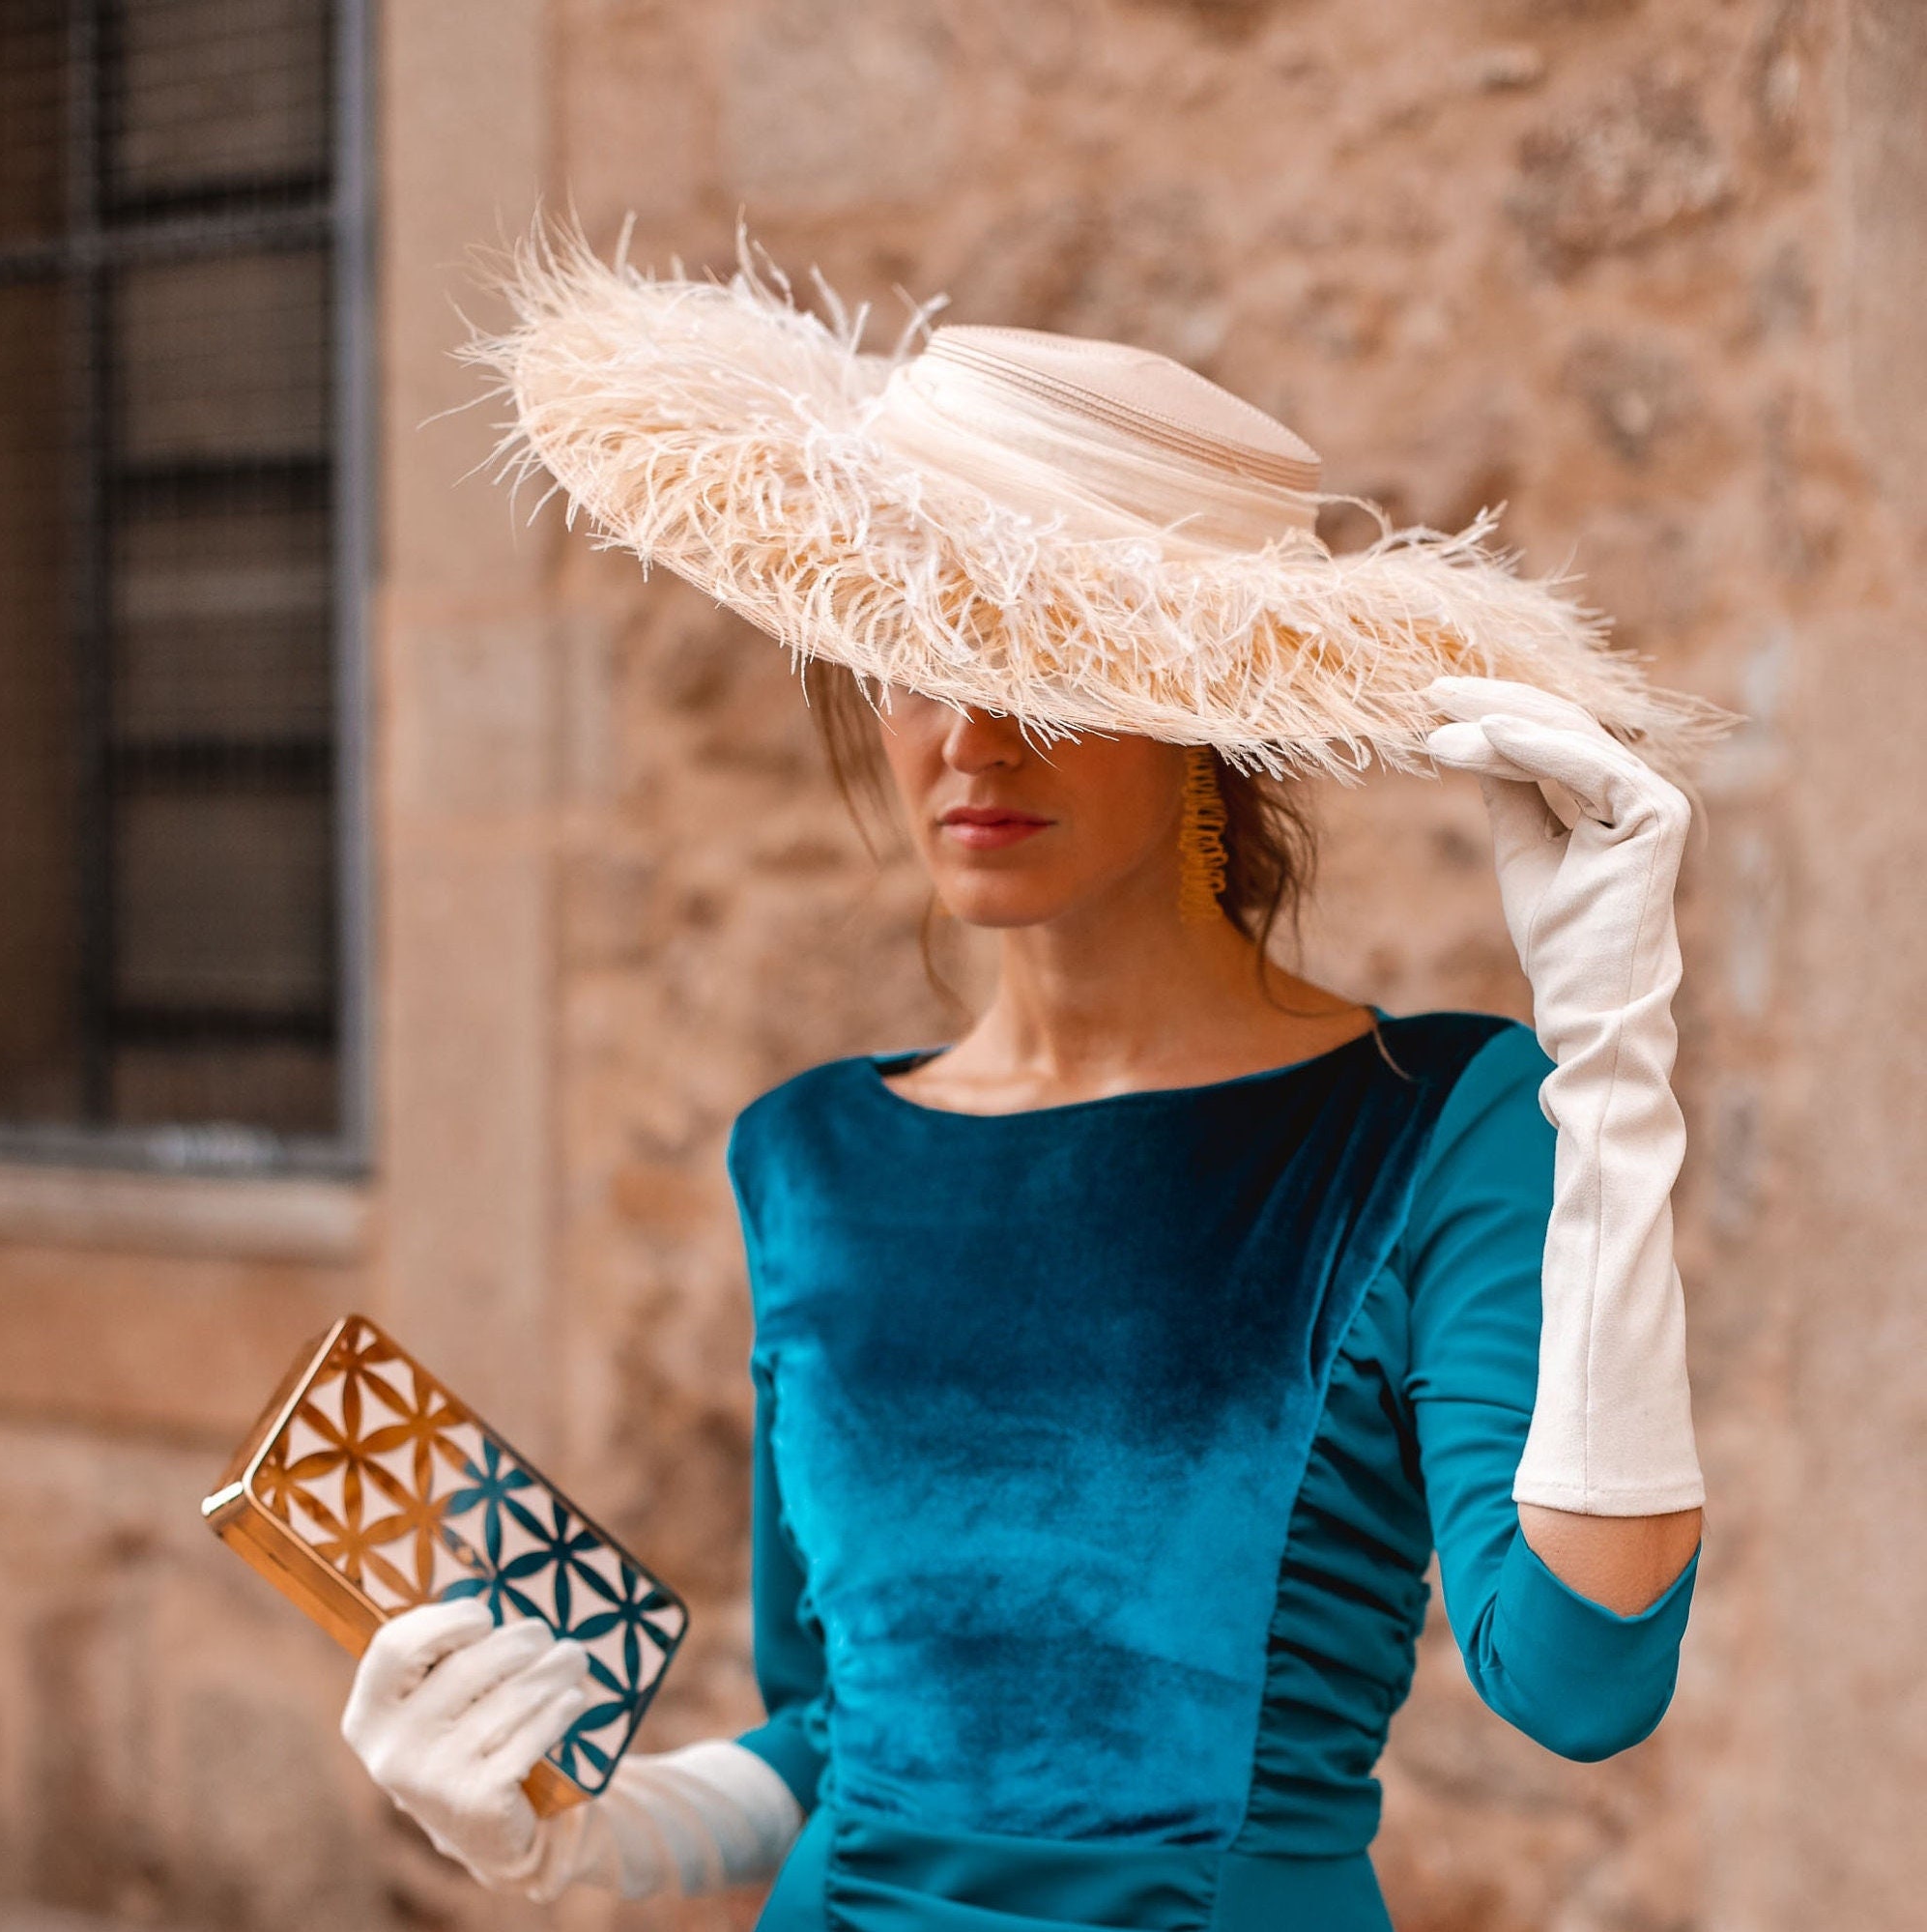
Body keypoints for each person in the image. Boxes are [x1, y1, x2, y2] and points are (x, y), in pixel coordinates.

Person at [338, 240, 1725, 1930]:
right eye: (920, 647)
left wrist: (1615, 1062)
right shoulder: (812, 1155)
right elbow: (833, 1740)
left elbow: (1581, 1681)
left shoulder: (1433, 1125)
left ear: (1201, 704)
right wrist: (569, 1832)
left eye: (1049, 657)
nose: (973, 733)